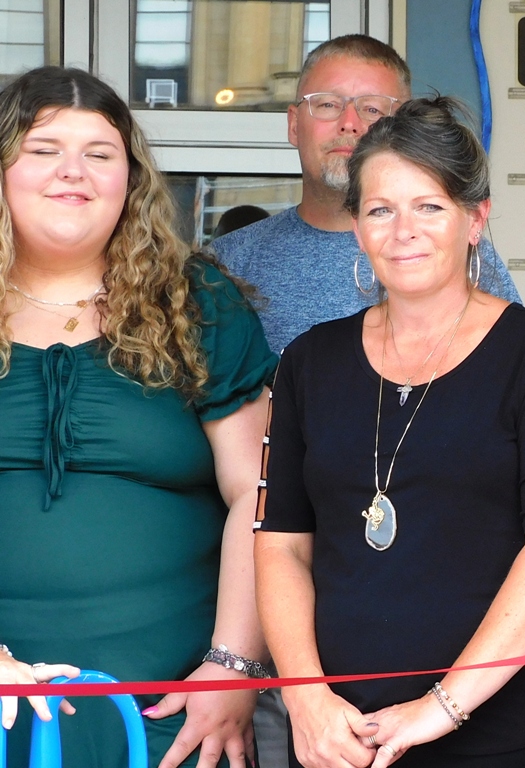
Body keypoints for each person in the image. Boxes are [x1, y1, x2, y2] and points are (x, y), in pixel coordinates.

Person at [253, 96, 525, 768]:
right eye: (380, 210)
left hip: (496, 739)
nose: (403, 230)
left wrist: (442, 707)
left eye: (430, 207)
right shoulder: (309, 360)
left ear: (476, 219)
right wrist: (306, 700)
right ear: (357, 227)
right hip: (337, 738)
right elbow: (281, 545)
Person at [0, 67, 277, 768]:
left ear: (131, 179)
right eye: (43, 150)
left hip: (172, 715)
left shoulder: (197, 301)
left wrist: (234, 667)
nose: (73, 171)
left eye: (99, 153)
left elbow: (261, 491)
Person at [211, 35, 520, 353]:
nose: (349, 123)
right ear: (293, 124)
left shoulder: (457, 254)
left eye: (372, 109)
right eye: (327, 104)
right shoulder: (227, 263)